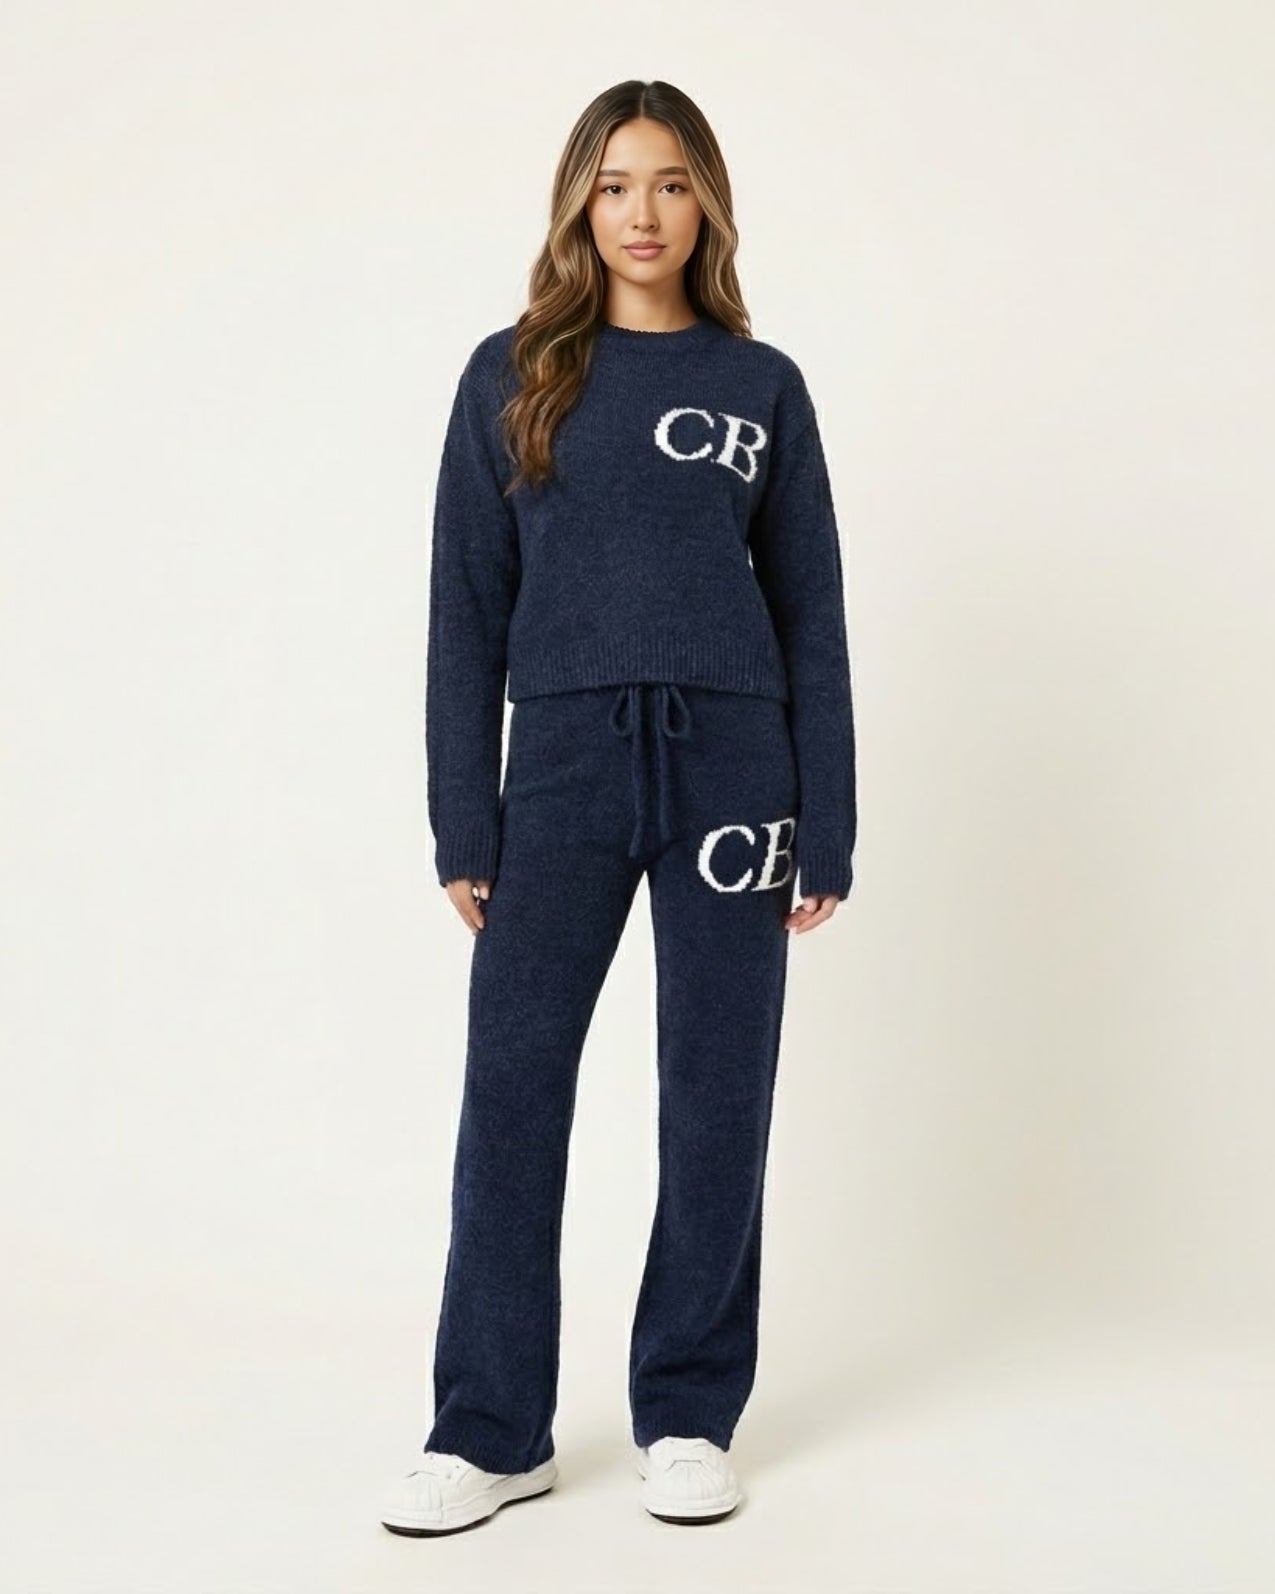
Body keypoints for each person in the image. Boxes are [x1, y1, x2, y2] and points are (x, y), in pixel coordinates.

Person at [381, 77, 857, 1537]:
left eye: (668, 182)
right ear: (578, 204)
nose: (641, 212)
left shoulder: (761, 387)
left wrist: (828, 819)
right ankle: (489, 1428)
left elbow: (812, 614)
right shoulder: (512, 374)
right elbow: (466, 612)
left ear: (706, 200)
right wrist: (465, 816)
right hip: (564, 773)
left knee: (717, 1096)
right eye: (613, 184)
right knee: (513, 1093)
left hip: (735, 775)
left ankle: (690, 1412)